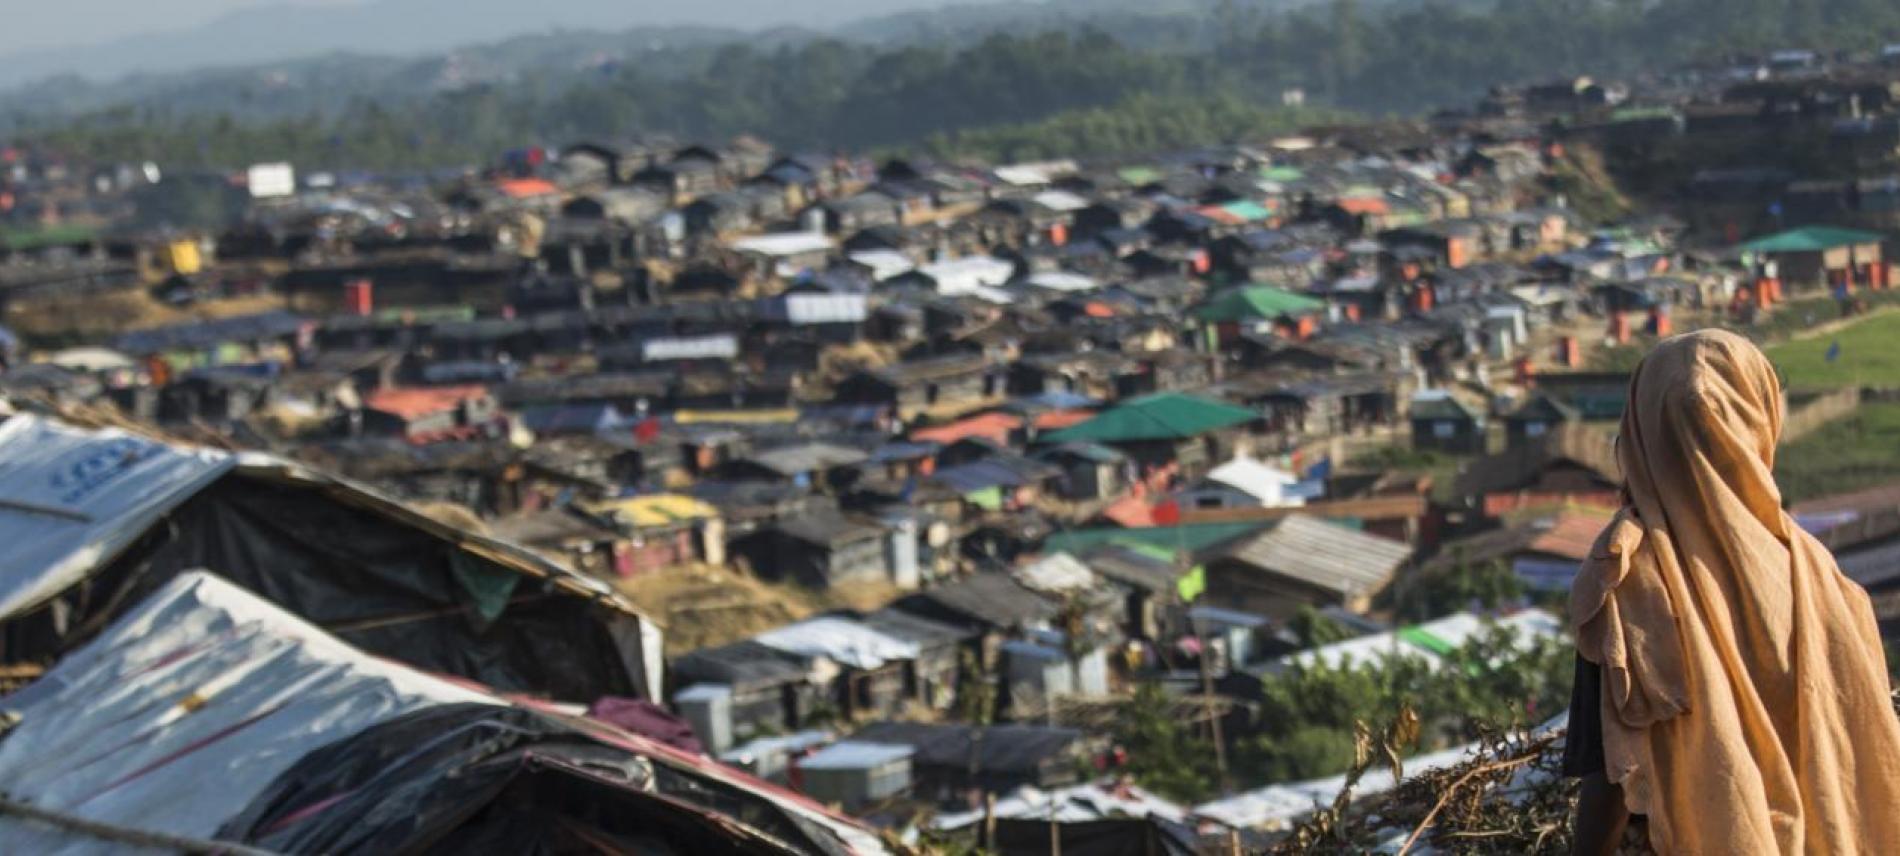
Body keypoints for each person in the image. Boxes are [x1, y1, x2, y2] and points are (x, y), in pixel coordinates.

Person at [1565, 330, 1900, 855]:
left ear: (1642, 427)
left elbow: (1607, 768)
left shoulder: (1629, 579)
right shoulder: (1816, 572)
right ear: (1757, 420)